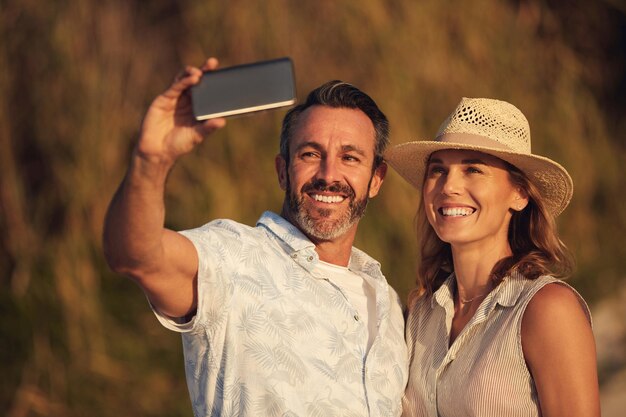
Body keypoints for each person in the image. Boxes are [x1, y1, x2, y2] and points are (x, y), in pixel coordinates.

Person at [102, 57, 408, 417]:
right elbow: (135, 255)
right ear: (282, 171)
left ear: (376, 179)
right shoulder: (232, 257)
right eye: (310, 154)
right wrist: (151, 161)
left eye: (350, 158)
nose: (329, 174)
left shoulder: (387, 304)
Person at [385, 97, 600, 417]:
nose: (449, 186)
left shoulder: (547, 309)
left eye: (473, 169)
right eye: (438, 171)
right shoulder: (420, 313)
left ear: (520, 194)